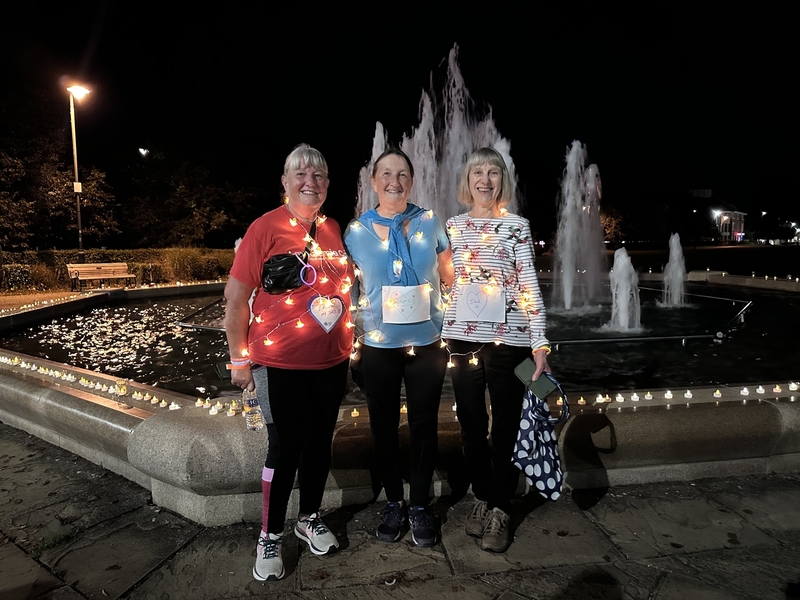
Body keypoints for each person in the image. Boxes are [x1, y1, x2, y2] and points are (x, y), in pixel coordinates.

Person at [224, 144, 354, 581]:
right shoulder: (265, 228)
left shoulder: (333, 228)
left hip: (331, 361)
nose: (310, 182)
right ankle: (270, 535)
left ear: (328, 185)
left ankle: (309, 517)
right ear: (284, 182)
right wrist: (238, 360)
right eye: (300, 174)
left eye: (319, 175)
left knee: (319, 443)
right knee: (284, 448)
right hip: (278, 363)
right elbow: (236, 299)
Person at [442, 147, 551, 553]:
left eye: (492, 172)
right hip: (462, 338)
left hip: (510, 339)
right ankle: (482, 494)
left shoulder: (517, 227)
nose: (484, 180)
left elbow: (528, 284)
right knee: (471, 423)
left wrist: (539, 342)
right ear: (467, 181)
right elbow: (444, 281)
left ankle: (501, 507)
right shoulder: (452, 226)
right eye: (477, 173)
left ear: (502, 180)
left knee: (505, 425)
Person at [344, 147, 453, 548]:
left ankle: (420, 505)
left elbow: (450, 275)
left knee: (424, 425)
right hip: (378, 345)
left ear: (412, 180)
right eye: (386, 174)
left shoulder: (429, 221)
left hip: (426, 344)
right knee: (383, 427)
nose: (394, 181)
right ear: (373, 182)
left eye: (403, 174)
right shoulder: (355, 231)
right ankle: (394, 501)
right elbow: (343, 285)